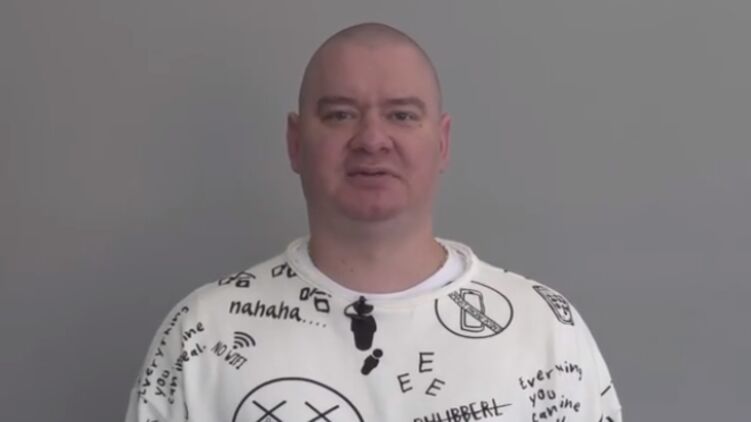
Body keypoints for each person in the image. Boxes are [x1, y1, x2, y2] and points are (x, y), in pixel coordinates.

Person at [125, 22, 622, 422]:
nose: (372, 140)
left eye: (402, 116)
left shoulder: (546, 331)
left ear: (442, 142)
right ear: (295, 143)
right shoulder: (203, 333)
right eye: (340, 115)